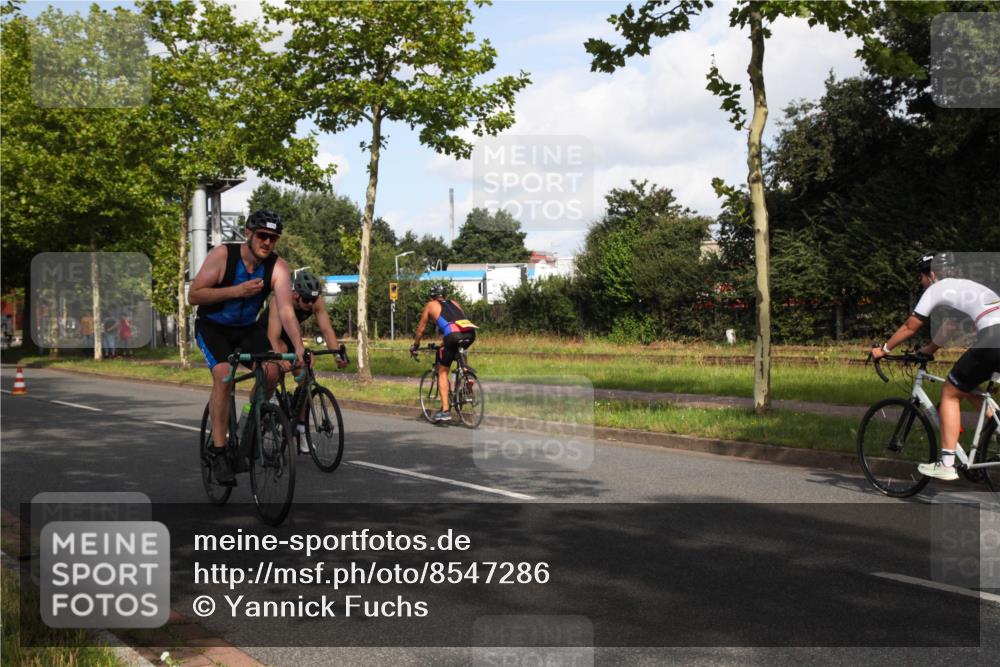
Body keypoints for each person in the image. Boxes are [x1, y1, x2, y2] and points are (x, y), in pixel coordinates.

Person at [188, 209, 308, 485]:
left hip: (245, 328)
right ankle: (219, 451)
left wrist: (299, 348)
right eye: (263, 236)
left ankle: (250, 426)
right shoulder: (223, 256)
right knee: (223, 376)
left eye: (273, 238)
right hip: (213, 326)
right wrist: (236, 291)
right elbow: (194, 295)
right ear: (249, 233)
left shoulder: (277, 267)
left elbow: (287, 311)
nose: (268, 242)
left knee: (272, 371)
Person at [871, 252, 1000, 480]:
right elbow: (949, 327)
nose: (921, 282)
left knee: (950, 392)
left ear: (932, 274)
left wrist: (884, 349)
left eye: (921, 277)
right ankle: (995, 425)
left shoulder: (936, 289)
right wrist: (929, 350)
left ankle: (947, 464)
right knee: (966, 385)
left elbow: (911, 326)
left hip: (992, 339)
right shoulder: (966, 285)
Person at [260, 269, 347, 453]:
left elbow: (327, 330)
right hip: (268, 335)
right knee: (276, 366)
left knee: (305, 374)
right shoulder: (280, 301)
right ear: (295, 294)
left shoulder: (316, 301)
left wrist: (337, 355)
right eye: (306, 300)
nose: (309, 304)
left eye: (313, 300)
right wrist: (279, 359)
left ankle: (300, 428)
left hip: (291, 337)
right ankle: (268, 399)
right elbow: (273, 337)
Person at [410, 284, 478, 423]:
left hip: (452, 336)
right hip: (469, 333)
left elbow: (421, 329)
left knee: (442, 371)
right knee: (459, 349)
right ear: (445, 295)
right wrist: (445, 342)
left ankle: (445, 410)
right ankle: (466, 377)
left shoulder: (430, 305)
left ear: (431, 296)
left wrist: (415, 345)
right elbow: (457, 323)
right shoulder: (454, 302)